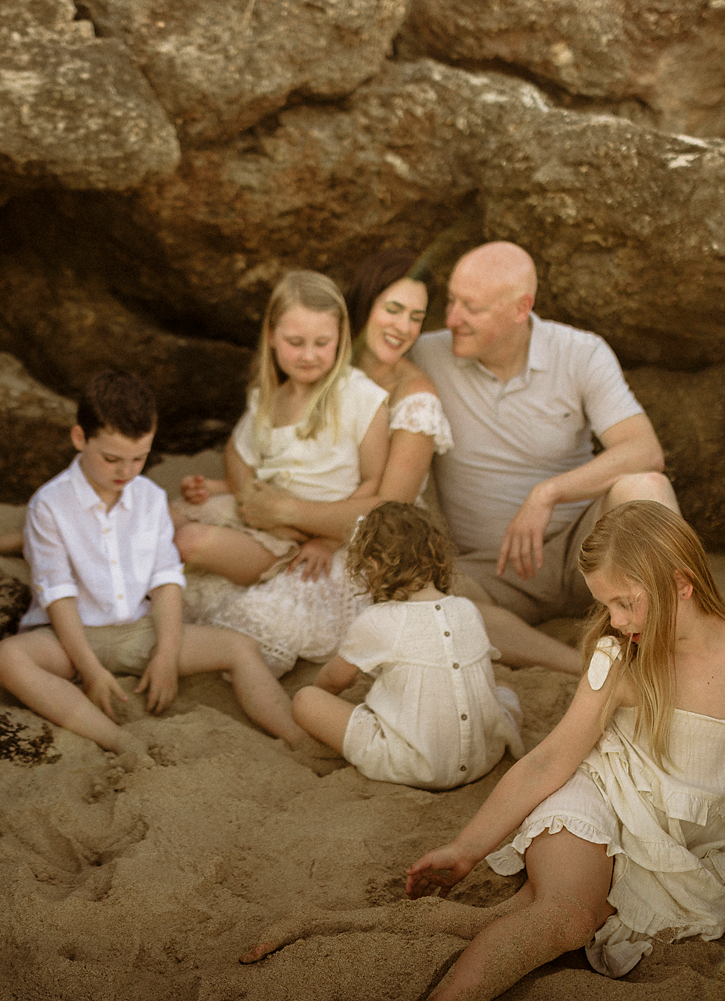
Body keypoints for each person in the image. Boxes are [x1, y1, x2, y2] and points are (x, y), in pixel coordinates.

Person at [241, 501, 725, 1001]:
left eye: (625, 603)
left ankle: (323, 924)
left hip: (676, 834)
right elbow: (551, 759)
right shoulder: (621, 659)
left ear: (681, 583)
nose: (614, 621)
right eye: (605, 604)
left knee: (512, 921)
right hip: (597, 799)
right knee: (566, 919)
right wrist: (467, 848)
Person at [224, 248, 577, 675]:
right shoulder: (321, 358)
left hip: (377, 538)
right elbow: (260, 439)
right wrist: (247, 493)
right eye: (393, 309)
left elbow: (390, 508)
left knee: (446, 613)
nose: (403, 327)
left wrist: (288, 513)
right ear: (365, 306)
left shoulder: (415, 396)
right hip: (299, 524)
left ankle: (576, 664)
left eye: (416, 316)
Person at [0, 371, 307, 766]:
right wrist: (90, 670)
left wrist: (167, 656)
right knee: (8, 658)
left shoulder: (151, 498)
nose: (126, 472)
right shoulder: (49, 505)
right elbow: (58, 595)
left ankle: (296, 739)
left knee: (240, 647)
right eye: (111, 459)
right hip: (69, 638)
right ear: (79, 438)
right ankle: (118, 740)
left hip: (139, 631)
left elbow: (167, 582)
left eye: (139, 458)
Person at [407, 241, 679, 625]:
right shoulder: (425, 354)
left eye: (472, 307)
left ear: (521, 308)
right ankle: (568, 663)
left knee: (646, 488)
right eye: (451, 301)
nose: (451, 319)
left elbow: (644, 450)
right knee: (421, 599)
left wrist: (548, 493)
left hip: (590, 555)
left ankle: (675, 634)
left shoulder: (581, 352)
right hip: (489, 573)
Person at [174, 269, 389, 587]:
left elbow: (374, 482)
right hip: (264, 519)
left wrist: (329, 540)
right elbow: (238, 452)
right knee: (167, 516)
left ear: (341, 337)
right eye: (295, 342)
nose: (308, 355)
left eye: (322, 342)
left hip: (304, 536)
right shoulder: (268, 399)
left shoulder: (361, 396)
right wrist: (231, 489)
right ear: (272, 336)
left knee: (189, 541)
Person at [291, 502, 523, 790]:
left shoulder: (377, 620)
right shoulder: (467, 609)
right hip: (484, 758)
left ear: (374, 564)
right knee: (504, 690)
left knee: (305, 700)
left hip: (417, 766)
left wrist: (322, 695)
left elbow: (334, 680)